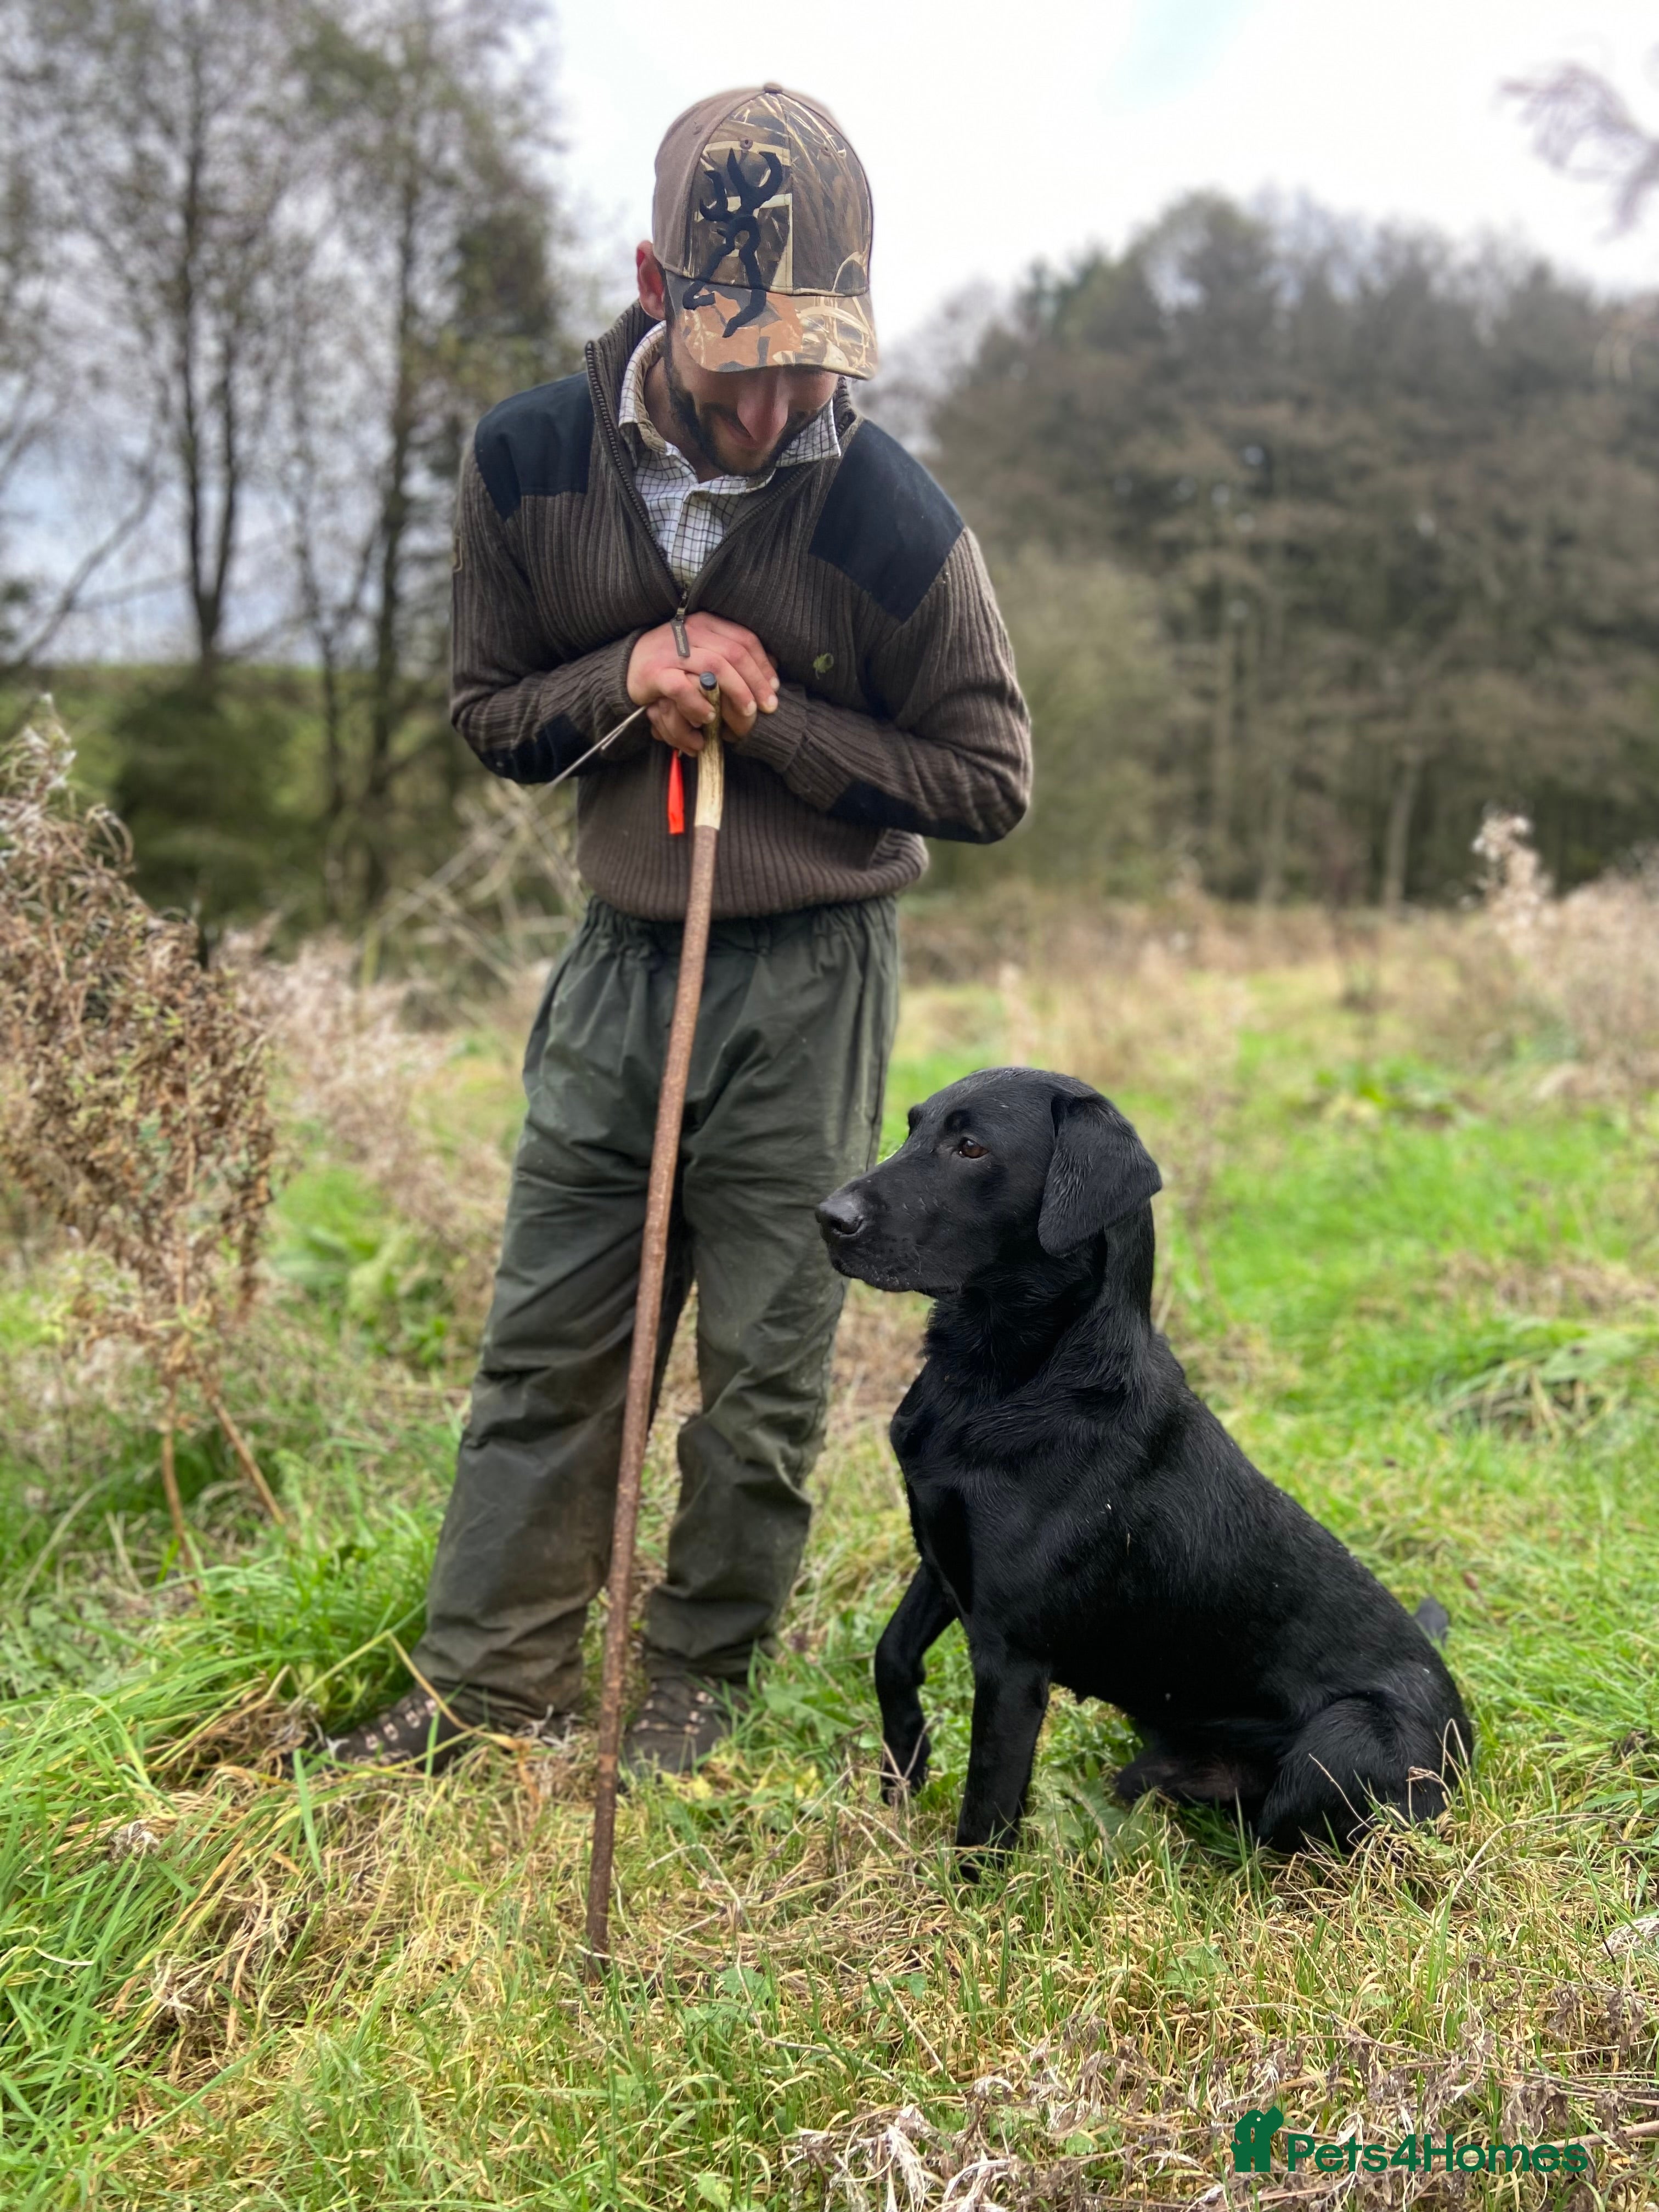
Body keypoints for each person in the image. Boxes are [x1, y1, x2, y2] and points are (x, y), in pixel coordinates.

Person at [331, 83, 1031, 1776]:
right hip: (618, 963)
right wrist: (623, 679)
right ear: (656, 285)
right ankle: (487, 1689)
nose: (780, 407)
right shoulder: (525, 464)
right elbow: (492, 715)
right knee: (550, 1346)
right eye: (743, 364)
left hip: (811, 980)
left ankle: (695, 1683)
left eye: (818, 362)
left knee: (768, 1361)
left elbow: (990, 780)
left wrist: (780, 725)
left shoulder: (897, 523)